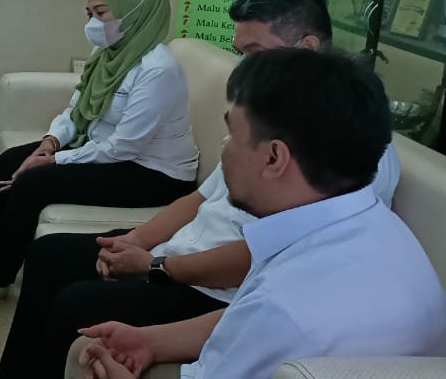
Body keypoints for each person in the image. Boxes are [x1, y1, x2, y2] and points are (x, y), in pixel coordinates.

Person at [0, 0, 401, 378]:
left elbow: (263, 257)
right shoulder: (267, 118)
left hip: (215, 289)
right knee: (49, 255)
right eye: (241, 53)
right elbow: (202, 198)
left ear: (306, 48)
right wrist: (136, 240)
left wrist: (155, 266)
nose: (245, 67)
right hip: (180, 254)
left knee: (77, 305)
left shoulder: (346, 150)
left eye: (255, 53)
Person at [77, 49, 446, 378]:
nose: (225, 150)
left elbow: (264, 321)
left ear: (274, 158)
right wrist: (152, 341)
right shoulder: (374, 225)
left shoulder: (284, 310)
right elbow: (245, 319)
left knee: (83, 353)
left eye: (233, 137)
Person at [0, 0, 200, 306]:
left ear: (135, 12)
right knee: (9, 162)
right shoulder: (108, 52)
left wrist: (54, 161)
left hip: (153, 173)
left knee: (33, 183)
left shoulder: (158, 70)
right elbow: (77, 109)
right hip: (105, 151)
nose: (93, 23)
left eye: (102, 13)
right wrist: (50, 142)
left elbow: (125, 146)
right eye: (89, 13)